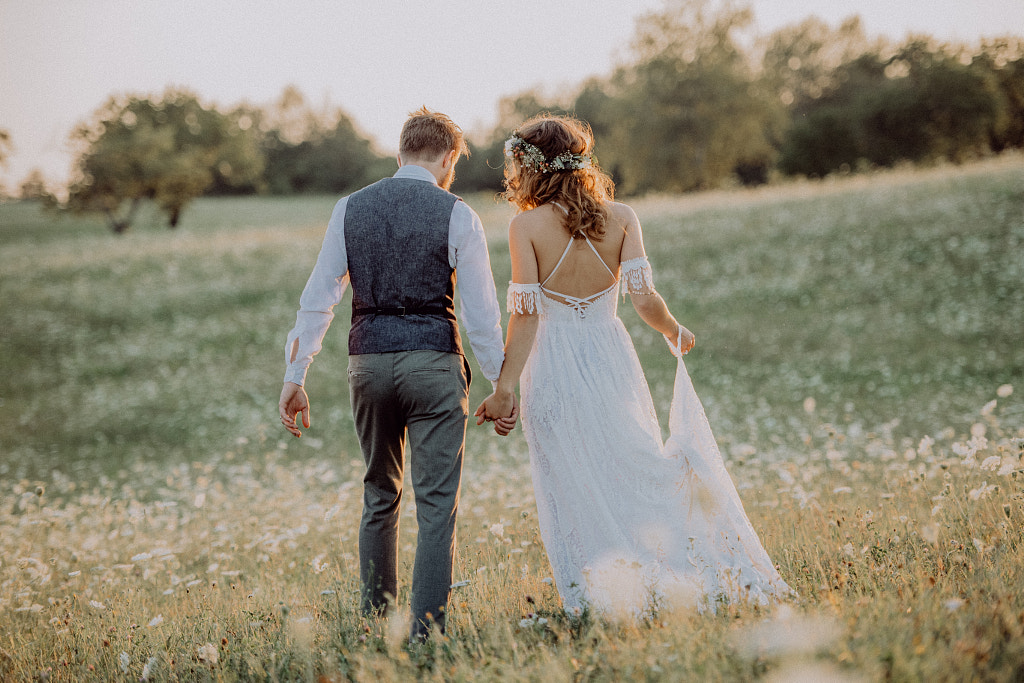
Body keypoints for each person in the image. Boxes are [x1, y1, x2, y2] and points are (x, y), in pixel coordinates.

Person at [476, 115, 791, 616]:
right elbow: (644, 300)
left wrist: (505, 387)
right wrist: (672, 329)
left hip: (553, 365)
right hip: (610, 357)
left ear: (531, 168)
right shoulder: (621, 217)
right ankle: (652, 576)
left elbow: (526, 316)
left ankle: (600, 595)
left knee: (572, 478)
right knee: (630, 460)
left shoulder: (526, 227)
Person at [279, 107, 515, 641]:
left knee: (379, 492)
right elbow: (480, 315)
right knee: (436, 505)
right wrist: (501, 383)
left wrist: (297, 373)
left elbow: (320, 297)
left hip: (368, 362)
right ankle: (426, 635)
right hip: (434, 362)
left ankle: (375, 629)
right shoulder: (458, 213)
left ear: (400, 151)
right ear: (449, 157)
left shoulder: (349, 208)